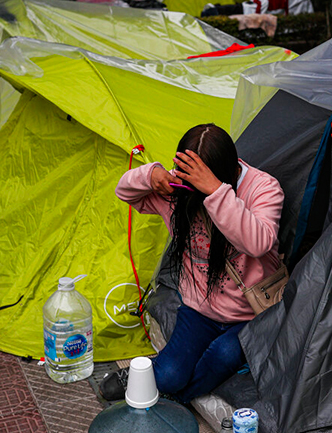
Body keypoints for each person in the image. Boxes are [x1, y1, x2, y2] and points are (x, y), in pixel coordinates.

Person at [100, 123, 284, 404]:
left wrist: (215, 191)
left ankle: (173, 399)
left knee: (224, 354)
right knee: (171, 373)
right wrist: (150, 174)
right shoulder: (180, 188)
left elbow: (257, 243)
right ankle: (161, 381)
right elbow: (124, 192)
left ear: (231, 171)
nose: (193, 196)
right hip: (200, 309)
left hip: (253, 313)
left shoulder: (263, 188)